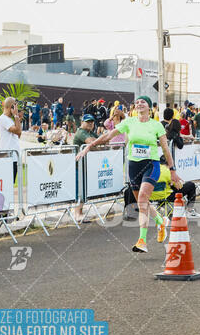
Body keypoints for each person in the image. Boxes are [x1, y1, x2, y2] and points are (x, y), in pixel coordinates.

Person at [76, 95, 181, 253]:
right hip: (133, 166)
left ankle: (142, 241)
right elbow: (108, 136)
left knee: (143, 199)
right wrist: (89, 147)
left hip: (151, 165)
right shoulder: (129, 122)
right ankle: (161, 221)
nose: (139, 104)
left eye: (143, 102)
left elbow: (166, 149)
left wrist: (172, 170)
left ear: (149, 107)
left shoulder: (156, 126)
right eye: (137, 102)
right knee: (142, 202)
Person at [73, 114, 98, 222]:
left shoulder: (90, 133)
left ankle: (80, 213)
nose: (90, 124)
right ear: (82, 122)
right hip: (78, 166)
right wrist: (96, 141)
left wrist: (96, 141)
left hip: (86, 166)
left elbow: (104, 141)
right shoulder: (81, 132)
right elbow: (93, 142)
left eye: (92, 122)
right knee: (79, 191)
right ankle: (77, 214)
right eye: (88, 122)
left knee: (83, 190)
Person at [0, 97, 21, 183]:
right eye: (15, 107)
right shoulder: (3, 119)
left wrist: (16, 117)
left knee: (11, 183)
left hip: (13, 158)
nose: (16, 109)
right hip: (7, 158)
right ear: (11, 107)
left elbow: (19, 133)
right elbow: (18, 131)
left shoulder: (9, 120)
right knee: (7, 184)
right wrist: (16, 116)